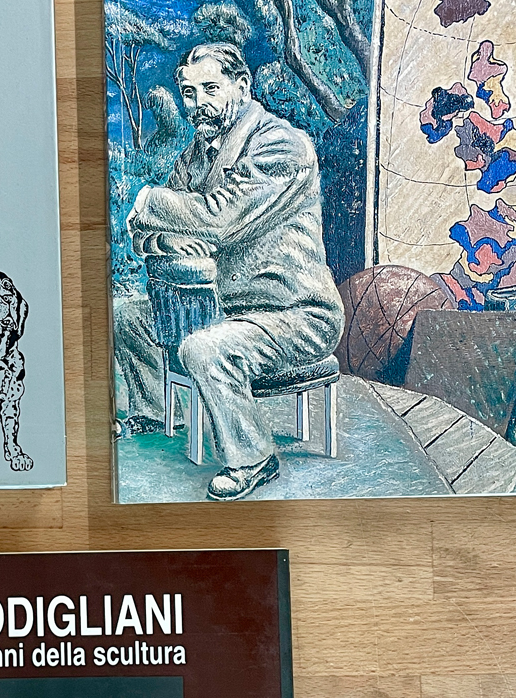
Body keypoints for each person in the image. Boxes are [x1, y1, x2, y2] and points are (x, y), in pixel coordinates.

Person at [116, 43, 345, 500]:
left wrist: (148, 200)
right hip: (225, 308)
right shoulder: (195, 157)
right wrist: (167, 241)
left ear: (241, 87)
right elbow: (144, 235)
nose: (197, 103)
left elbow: (220, 218)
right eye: (188, 92)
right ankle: (155, 411)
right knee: (125, 316)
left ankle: (253, 458)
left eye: (210, 89)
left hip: (296, 314)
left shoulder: (282, 145)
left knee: (205, 348)